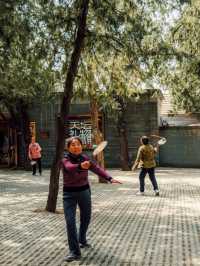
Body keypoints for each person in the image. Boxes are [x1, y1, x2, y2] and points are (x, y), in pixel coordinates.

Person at [62, 136, 121, 262]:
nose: (76, 146)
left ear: (81, 146)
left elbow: (96, 168)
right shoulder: (65, 159)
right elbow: (69, 168)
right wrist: (81, 166)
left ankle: (82, 240)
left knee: (86, 218)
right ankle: (74, 252)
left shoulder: (85, 158)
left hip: (84, 192)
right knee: (70, 222)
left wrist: (110, 178)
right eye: (73, 145)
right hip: (69, 195)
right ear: (68, 148)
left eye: (78, 144)